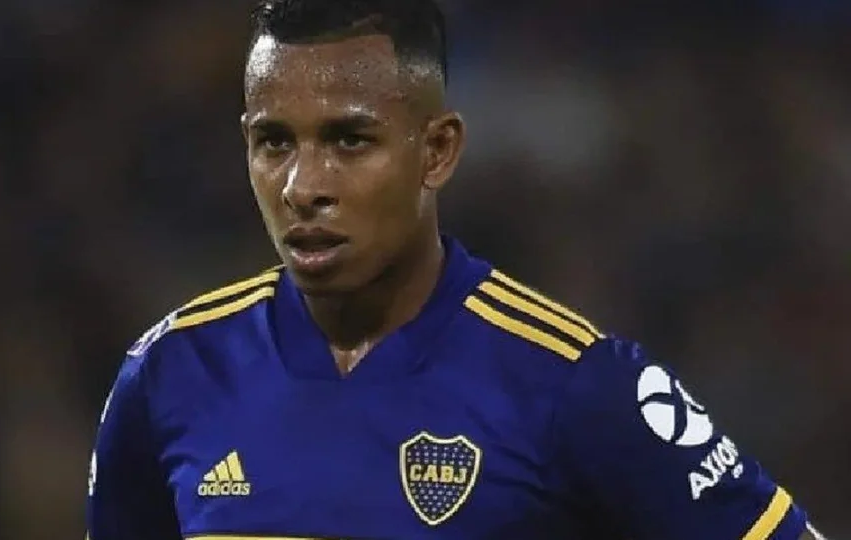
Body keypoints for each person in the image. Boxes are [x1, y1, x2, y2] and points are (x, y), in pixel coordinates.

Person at [86, 0, 827, 538]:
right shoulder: (169, 373)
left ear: (436, 151)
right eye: (275, 143)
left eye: (349, 141)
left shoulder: (576, 384)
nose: (303, 186)